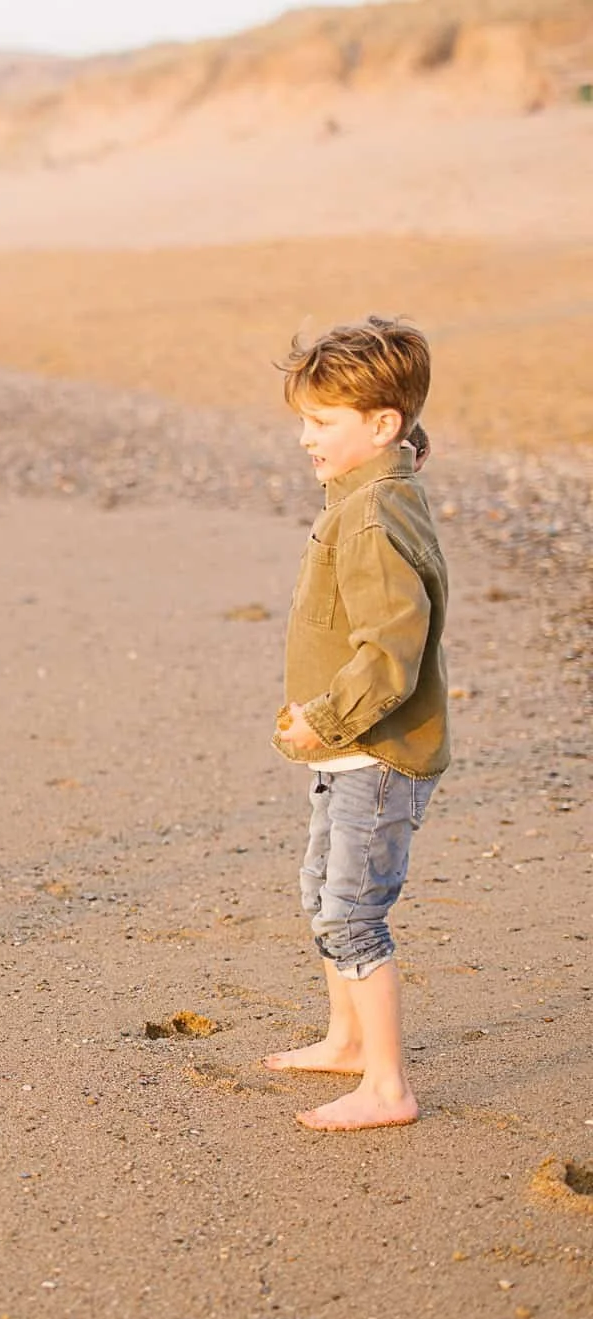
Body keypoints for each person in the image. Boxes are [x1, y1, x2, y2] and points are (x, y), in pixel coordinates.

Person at [262, 317, 451, 1131]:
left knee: (351, 913)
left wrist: (325, 721)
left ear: (381, 425)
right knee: (320, 891)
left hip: (374, 749)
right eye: (303, 419)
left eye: (322, 421)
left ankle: (387, 1085)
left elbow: (390, 652)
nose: (305, 437)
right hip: (348, 750)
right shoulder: (366, 492)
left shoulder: (371, 516)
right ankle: (345, 1039)